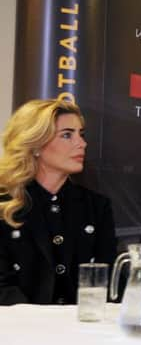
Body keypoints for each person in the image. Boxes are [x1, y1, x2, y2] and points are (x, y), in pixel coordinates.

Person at [0, 99, 117, 305]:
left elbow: (107, 282)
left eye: (81, 134)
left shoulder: (97, 206)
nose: (82, 143)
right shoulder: (4, 205)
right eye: (67, 135)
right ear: (36, 145)